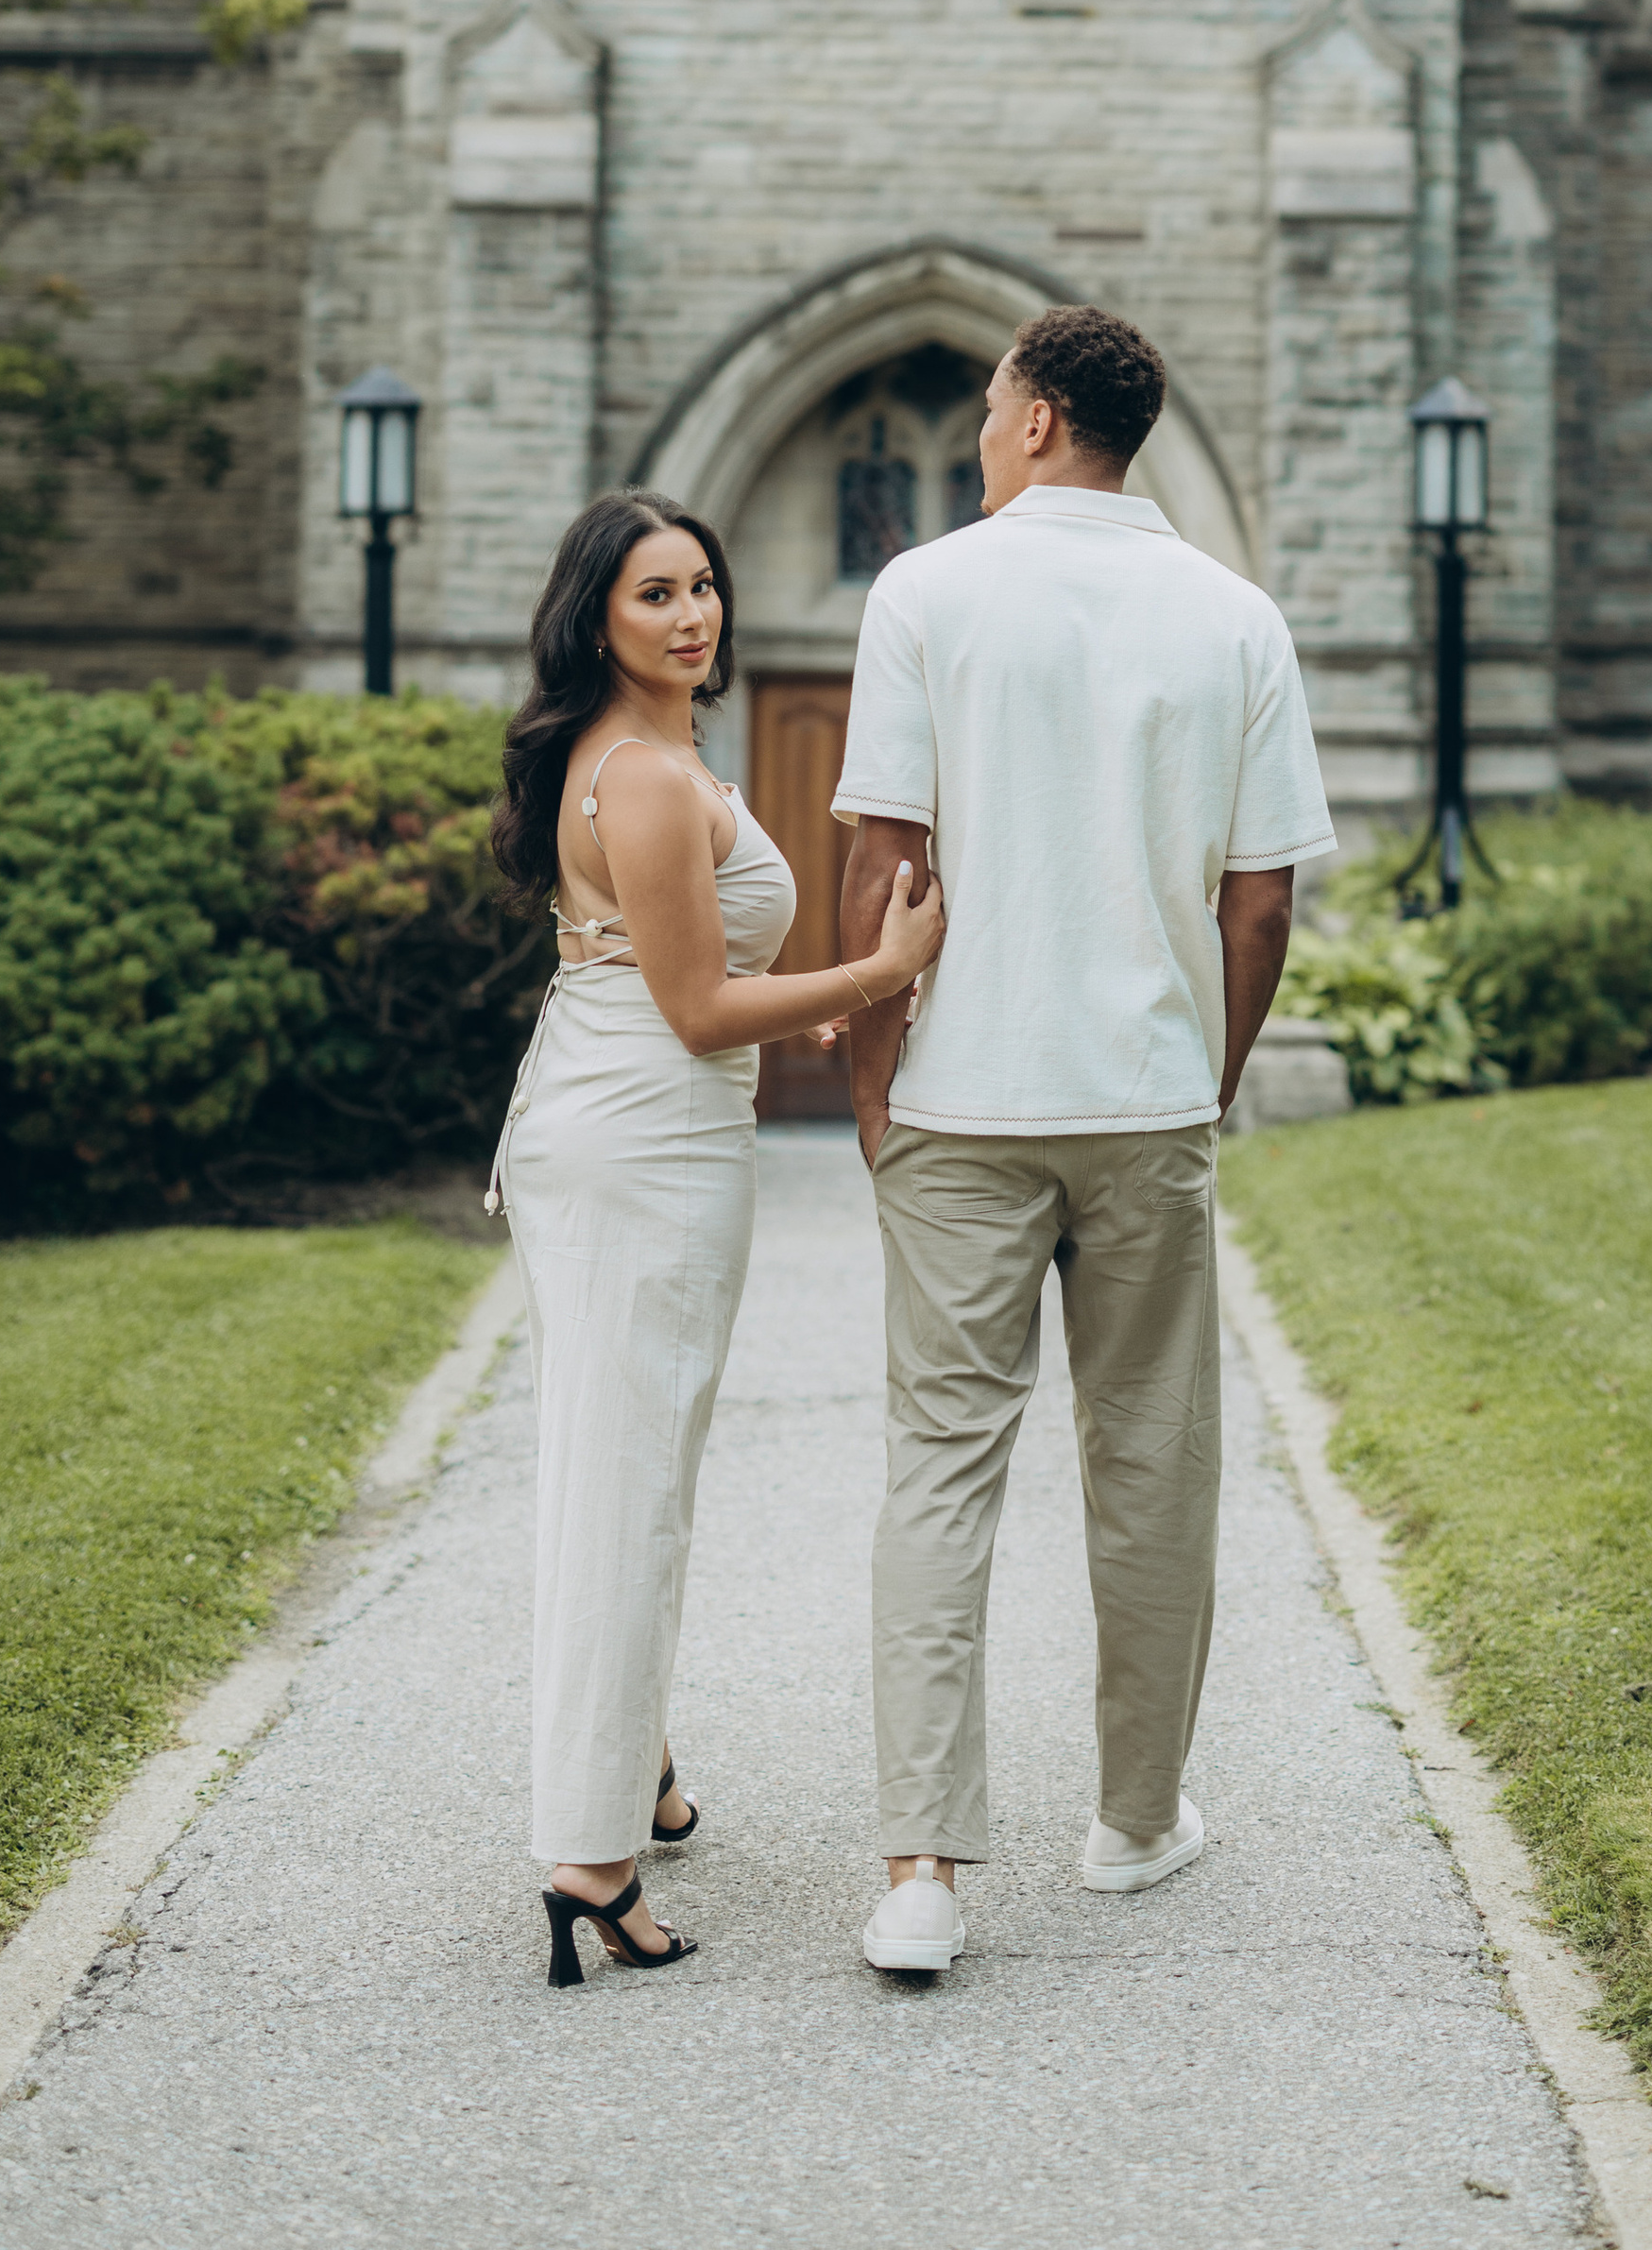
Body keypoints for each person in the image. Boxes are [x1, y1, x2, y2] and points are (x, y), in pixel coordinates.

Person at [833, 306, 1335, 1975]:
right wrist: (1213, 1073)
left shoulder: (924, 592)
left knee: (939, 1469)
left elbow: (884, 859)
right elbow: (1262, 901)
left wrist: (874, 1085)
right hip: (1144, 1102)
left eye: (994, 405)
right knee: (1153, 1463)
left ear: (1042, 417)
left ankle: (922, 1871)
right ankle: (1134, 1822)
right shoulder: (1236, 616)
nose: (984, 430)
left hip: (962, 1102)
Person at [486, 489, 944, 1988]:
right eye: (654, 595)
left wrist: (789, 1002)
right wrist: (879, 969)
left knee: (622, 1461)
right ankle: (592, 1862)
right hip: (647, 1140)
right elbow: (693, 1010)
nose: (692, 616)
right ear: (595, 619)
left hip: (618, 1113)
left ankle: (638, 1767)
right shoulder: (645, 777)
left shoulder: (633, 756)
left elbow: (666, 972)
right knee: (628, 1484)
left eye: (702, 586)